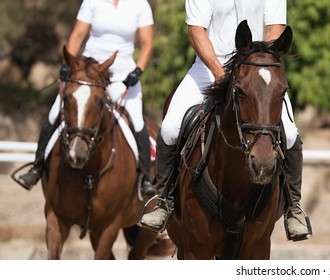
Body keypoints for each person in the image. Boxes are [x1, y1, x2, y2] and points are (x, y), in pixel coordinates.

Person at [138, 0, 311, 240]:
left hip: (257, 65)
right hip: (210, 65)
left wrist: (260, 63)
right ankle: (163, 201)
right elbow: (196, 31)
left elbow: (276, 28)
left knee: (290, 133)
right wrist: (221, 73)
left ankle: (293, 207)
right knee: (169, 127)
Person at [15, 0, 156, 197]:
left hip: (121, 75)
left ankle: (145, 178)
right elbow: (77, 36)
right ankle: (37, 167)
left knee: (137, 121)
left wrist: (137, 71)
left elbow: (147, 44)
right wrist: (68, 65)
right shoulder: (92, 1)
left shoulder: (140, 5)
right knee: (56, 111)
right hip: (88, 72)